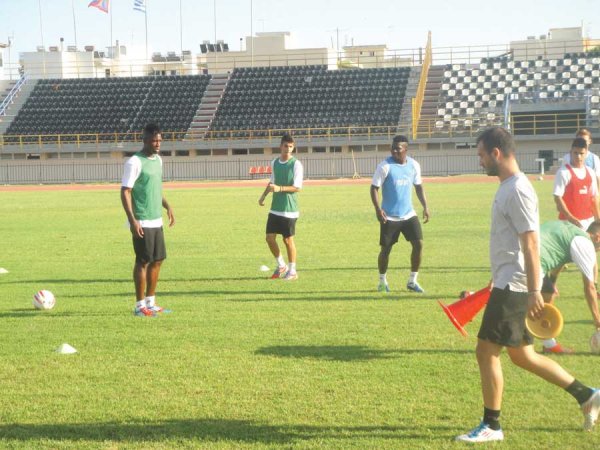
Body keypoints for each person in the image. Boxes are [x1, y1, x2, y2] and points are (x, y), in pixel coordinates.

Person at [456, 127, 599, 443]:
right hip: (510, 280)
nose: (480, 161)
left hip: (516, 285)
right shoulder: (509, 186)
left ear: (496, 153)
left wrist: (535, 290)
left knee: (486, 351)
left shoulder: (518, 189)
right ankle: (587, 395)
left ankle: (492, 425)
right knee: (523, 356)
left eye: (482, 155)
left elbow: (531, 243)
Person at [120, 123, 175, 317]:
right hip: (142, 220)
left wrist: (167, 206)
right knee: (143, 261)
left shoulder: (158, 160)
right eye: (153, 141)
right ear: (144, 140)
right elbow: (125, 191)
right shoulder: (134, 162)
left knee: (158, 260)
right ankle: (139, 306)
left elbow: (154, 188)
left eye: (159, 140)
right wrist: (132, 220)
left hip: (156, 219)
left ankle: (151, 303)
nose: (157, 144)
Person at [370, 135, 429, 293]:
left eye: (398, 149)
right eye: (393, 148)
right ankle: (382, 282)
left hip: (409, 214)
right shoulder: (384, 166)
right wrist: (378, 209)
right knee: (386, 250)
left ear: (406, 150)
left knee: (419, 244)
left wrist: (425, 206)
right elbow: (374, 188)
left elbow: (418, 187)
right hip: (389, 216)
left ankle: (412, 281)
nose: (394, 151)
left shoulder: (414, 165)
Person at [538, 220, 600, 354]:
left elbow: (559, 258)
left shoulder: (573, 232)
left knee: (548, 292)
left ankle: (548, 344)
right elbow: (589, 287)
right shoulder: (585, 245)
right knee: (526, 303)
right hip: (531, 260)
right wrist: (597, 320)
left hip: (521, 252)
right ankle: (546, 344)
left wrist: (552, 282)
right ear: (597, 237)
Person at [258, 134, 303, 281]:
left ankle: (293, 271)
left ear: (293, 147)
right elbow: (272, 182)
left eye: (290, 146)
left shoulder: (296, 164)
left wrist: (280, 188)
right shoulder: (274, 163)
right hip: (275, 208)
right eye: (285, 146)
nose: (288, 149)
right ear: (280, 146)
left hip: (289, 209)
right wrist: (263, 196)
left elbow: (297, 187)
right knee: (269, 238)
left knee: (288, 240)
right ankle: (281, 265)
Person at [554, 137, 600, 230]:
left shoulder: (590, 172)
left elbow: (594, 197)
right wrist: (570, 217)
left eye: (581, 153)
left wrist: (598, 220)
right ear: (571, 152)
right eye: (575, 153)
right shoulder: (563, 172)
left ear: (586, 153)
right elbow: (557, 197)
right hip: (567, 223)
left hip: (588, 222)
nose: (578, 156)